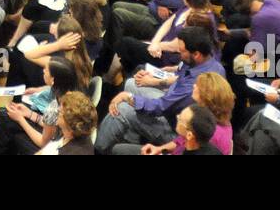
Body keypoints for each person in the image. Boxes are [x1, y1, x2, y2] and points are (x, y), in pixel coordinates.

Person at [96, 26, 224, 153]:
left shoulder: (193, 88)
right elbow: (179, 77)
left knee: (122, 109)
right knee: (131, 84)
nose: (180, 54)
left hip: (177, 128)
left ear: (196, 54)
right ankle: (130, 135)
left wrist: (128, 97)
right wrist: (156, 75)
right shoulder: (209, 63)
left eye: (183, 51)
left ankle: (97, 150)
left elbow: (160, 107)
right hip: (173, 105)